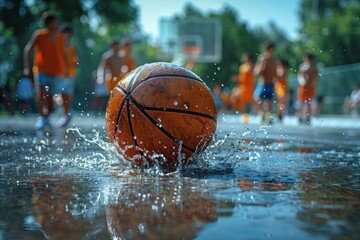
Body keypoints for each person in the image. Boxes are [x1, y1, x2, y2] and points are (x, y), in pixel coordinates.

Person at [23, 12, 67, 129]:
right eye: (56, 22)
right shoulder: (39, 35)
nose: (58, 24)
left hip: (58, 72)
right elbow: (28, 50)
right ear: (49, 23)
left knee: (51, 97)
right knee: (41, 92)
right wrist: (27, 67)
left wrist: (66, 69)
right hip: (41, 70)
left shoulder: (60, 38)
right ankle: (42, 117)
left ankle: (47, 115)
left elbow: (63, 55)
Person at [56, 24, 79, 127]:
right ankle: (66, 113)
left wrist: (76, 62)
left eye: (69, 35)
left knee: (67, 96)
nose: (67, 36)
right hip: (60, 74)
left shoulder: (72, 48)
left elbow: (77, 61)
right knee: (60, 95)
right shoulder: (57, 46)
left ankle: (66, 115)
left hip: (70, 75)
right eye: (65, 34)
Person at [253, 42, 277, 124]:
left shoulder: (273, 61)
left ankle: (268, 116)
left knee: (269, 100)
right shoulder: (262, 58)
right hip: (262, 83)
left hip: (270, 84)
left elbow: (275, 74)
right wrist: (262, 66)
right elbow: (256, 72)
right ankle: (261, 114)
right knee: (258, 99)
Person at [297, 53, 319, 125]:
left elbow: (316, 77)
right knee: (301, 102)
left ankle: (307, 117)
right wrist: (302, 82)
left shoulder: (314, 67)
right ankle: (300, 116)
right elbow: (299, 76)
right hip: (303, 86)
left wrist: (312, 82)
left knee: (308, 102)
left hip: (310, 86)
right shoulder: (302, 66)